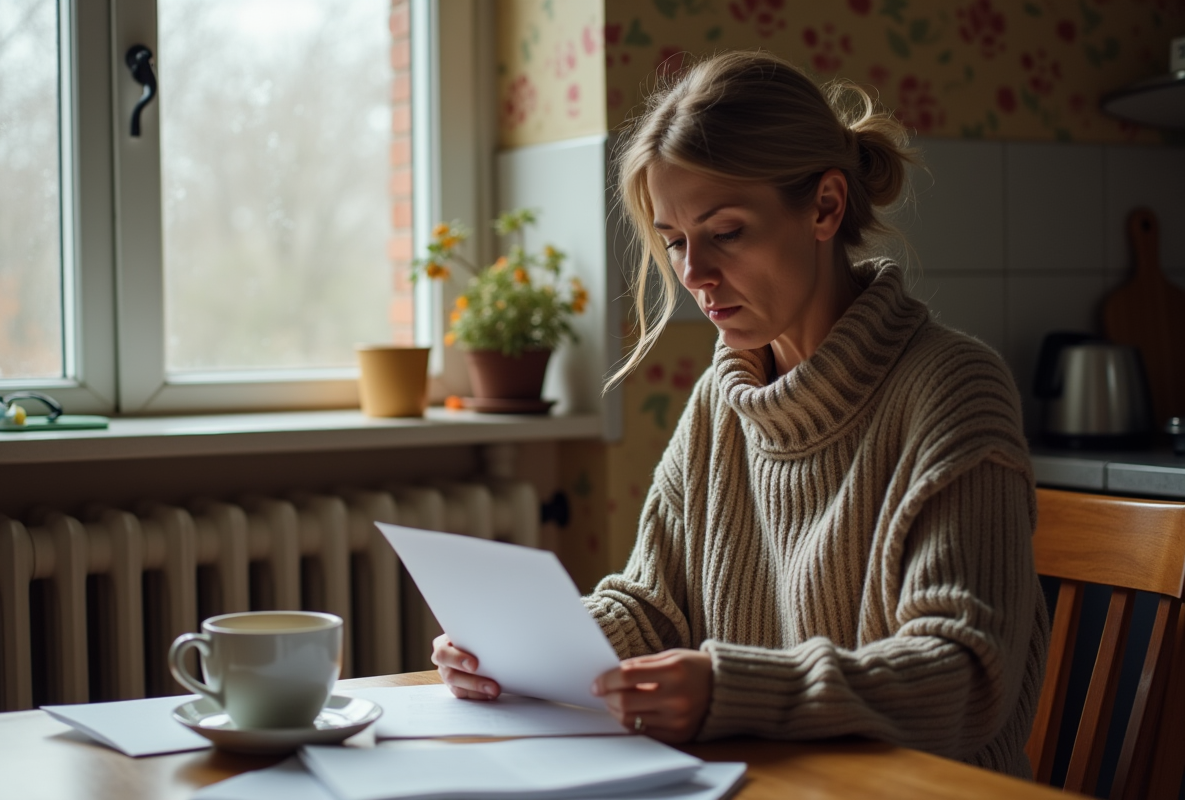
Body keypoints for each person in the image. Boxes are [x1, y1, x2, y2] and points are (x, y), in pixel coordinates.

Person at [433, 50, 1049, 778]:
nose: (693, 274)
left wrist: (731, 689)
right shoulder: (724, 398)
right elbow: (652, 607)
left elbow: (963, 676)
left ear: (825, 206)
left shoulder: (951, 388)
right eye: (674, 242)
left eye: (725, 232)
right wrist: (520, 650)